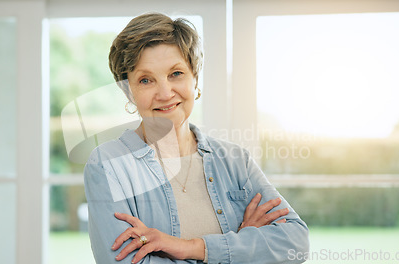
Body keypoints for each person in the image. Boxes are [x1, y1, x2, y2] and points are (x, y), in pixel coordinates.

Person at [83, 12, 309, 264]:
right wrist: (241, 245)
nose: (165, 92)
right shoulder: (108, 164)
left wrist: (189, 247)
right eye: (146, 80)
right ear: (128, 92)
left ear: (195, 78)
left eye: (176, 74)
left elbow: (295, 243)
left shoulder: (235, 160)